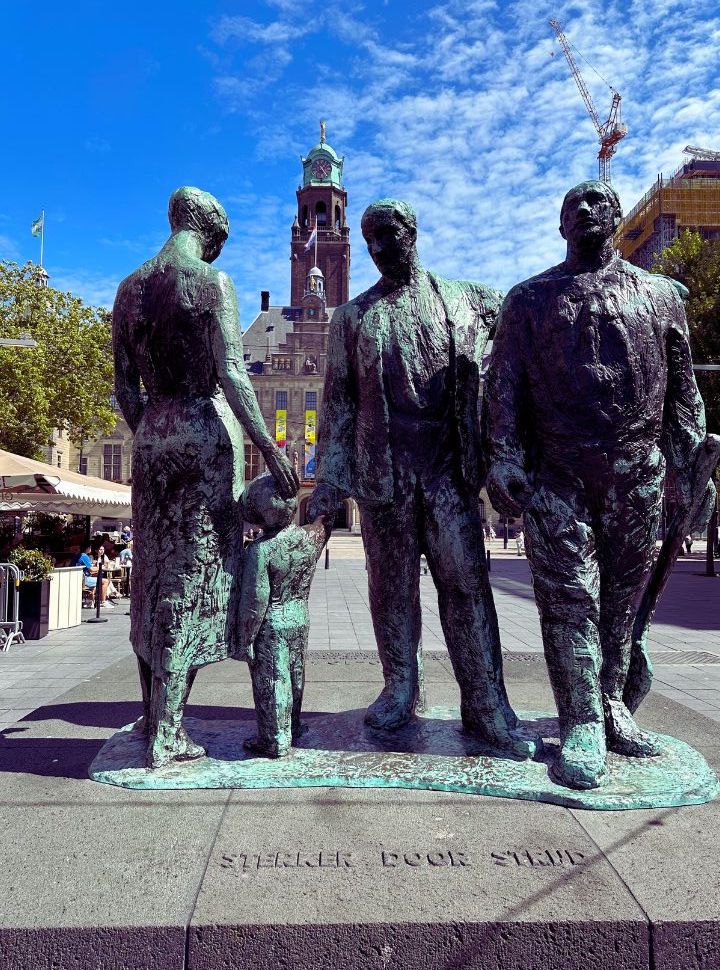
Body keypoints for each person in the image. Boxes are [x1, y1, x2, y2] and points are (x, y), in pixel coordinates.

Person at [483, 179, 711, 789]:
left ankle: (610, 700)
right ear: (560, 226)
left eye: (597, 203)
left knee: (622, 600)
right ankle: (580, 719)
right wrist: (503, 455)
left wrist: (692, 467)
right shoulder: (529, 301)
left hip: (638, 472)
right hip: (558, 473)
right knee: (567, 597)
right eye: (571, 206)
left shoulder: (661, 296)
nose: (584, 211)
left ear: (614, 217)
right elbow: (501, 386)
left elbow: (685, 393)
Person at [309, 198, 534, 758]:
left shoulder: (469, 300)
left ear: (412, 231)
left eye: (388, 234)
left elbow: (522, 348)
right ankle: (400, 687)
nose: (379, 248)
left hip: (447, 473)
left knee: (466, 586)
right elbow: (337, 403)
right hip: (384, 475)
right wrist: (331, 481)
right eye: (369, 241)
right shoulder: (352, 318)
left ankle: (485, 703)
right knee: (390, 592)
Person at [113, 186, 299, 769]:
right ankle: (168, 733)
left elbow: (125, 388)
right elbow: (235, 378)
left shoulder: (129, 288)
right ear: (211, 232)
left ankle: (153, 718)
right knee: (191, 578)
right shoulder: (211, 284)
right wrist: (268, 448)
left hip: (154, 437)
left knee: (151, 570)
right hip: (201, 432)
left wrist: (155, 430)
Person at [234, 473, 333, 757]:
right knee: (296, 675)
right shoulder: (308, 539)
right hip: (300, 617)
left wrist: (245, 639)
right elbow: (321, 527)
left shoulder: (261, 550)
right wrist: (319, 515)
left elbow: (256, 600)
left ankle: (274, 738)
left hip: (272, 624)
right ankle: (294, 725)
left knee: (273, 680)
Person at [73, 543, 111, 607]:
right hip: (84, 580)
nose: (90, 549)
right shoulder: (84, 556)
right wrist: (100, 567)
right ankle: (103, 601)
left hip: (77, 577)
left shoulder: (77, 556)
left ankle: (90, 599)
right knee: (106, 581)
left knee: (99, 580)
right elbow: (91, 569)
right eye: (90, 547)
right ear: (87, 548)